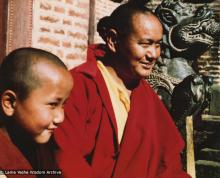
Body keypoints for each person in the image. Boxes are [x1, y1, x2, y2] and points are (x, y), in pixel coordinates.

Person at [53, 2, 191, 178]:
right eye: (145, 44)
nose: (154, 54)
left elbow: (168, 162)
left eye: (157, 45)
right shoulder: (80, 86)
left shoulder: (144, 92)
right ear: (113, 40)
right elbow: (65, 158)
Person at [0, 48, 73, 178]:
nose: (61, 118)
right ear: (10, 103)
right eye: (52, 104)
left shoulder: (42, 150)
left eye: (63, 105)